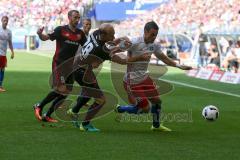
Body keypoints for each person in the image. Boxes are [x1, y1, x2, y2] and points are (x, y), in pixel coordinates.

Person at [67, 23, 149, 132]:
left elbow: (108, 45)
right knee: (101, 100)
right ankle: (85, 124)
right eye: (112, 35)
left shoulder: (95, 33)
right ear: (104, 35)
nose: (114, 37)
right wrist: (139, 57)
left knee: (88, 92)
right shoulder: (102, 49)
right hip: (82, 73)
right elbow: (122, 61)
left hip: (78, 66)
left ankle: (73, 112)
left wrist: (119, 40)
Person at [115, 21, 192, 131]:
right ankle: (121, 108)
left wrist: (179, 66)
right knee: (145, 109)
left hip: (144, 78)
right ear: (145, 32)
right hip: (132, 80)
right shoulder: (134, 42)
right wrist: (115, 46)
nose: (154, 37)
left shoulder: (153, 46)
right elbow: (119, 55)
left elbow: (164, 58)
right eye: (152, 34)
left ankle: (156, 126)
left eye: (156, 35)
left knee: (157, 101)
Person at [33, 10, 87, 122]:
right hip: (59, 64)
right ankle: (39, 105)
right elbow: (45, 37)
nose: (77, 20)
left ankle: (47, 115)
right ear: (69, 17)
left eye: (78, 18)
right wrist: (39, 34)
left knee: (66, 93)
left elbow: (87, 47)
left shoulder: (80, 34)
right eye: (75, 17)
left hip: (71, 66)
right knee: (61, 89)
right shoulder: (60, 30)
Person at [0, 16, 14, 92]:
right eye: (4, 20)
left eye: (6, 20)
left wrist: (12, 52)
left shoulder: (9, 32)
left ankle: (0, 85)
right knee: (1, 69)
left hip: (3, 53)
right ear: (1, 21)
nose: (5, 22)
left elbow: (10, 42)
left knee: (2, 70)